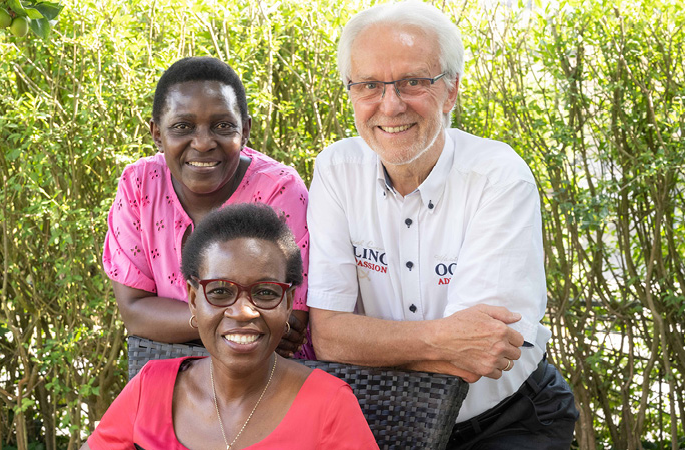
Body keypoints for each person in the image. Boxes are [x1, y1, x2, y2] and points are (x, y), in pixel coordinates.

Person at [306, 2, 578, 448]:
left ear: (451, 90)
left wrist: (370, 346)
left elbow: (477, 357)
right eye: (369, 85)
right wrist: (441, 339)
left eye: (413, 82)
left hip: (505, 420)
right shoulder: (336, 170)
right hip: (382, 417)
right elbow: (329, 338)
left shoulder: (498, 177)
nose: (390, 106)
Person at [84, 204, 378, 449]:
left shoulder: (329, 404)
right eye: (220, 292)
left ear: (288, 303)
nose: (243, 311)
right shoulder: (151, 387)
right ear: (194, 300)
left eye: (265, 292)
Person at [103, 56, 313, 359]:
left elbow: (289, 324)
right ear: (157, 134)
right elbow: (135, 312)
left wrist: (177, 319)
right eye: (183, 126)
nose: (202, 143)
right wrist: (235, 317)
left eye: (223, 126)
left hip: (273, 379)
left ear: (246, 130)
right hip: (175, 373)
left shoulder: (278, 189)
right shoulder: (139, 185)